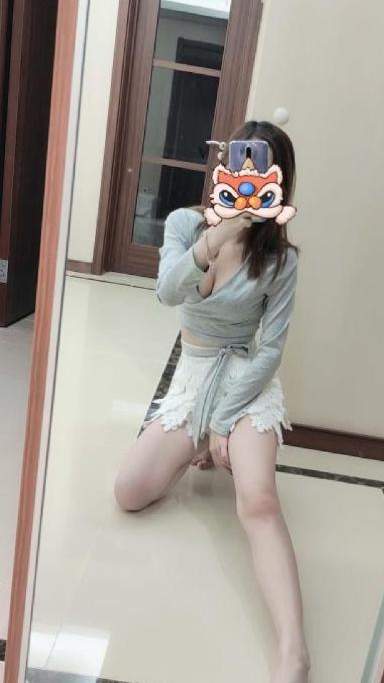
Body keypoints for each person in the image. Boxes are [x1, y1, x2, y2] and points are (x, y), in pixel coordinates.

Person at [114, 121, 312, 683]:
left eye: (263, 170)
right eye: (241, 164)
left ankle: (293, 652)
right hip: (193, 374)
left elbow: (271, 350)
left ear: (279, 182)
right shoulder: (186, 225)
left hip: (245, 379)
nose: (250, 178)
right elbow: (166, 292)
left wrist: (224, 421)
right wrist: (217, 238)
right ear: (225, 169)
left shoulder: (282, 260)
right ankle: (193, 446)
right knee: (130, 493)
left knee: (258, 502)